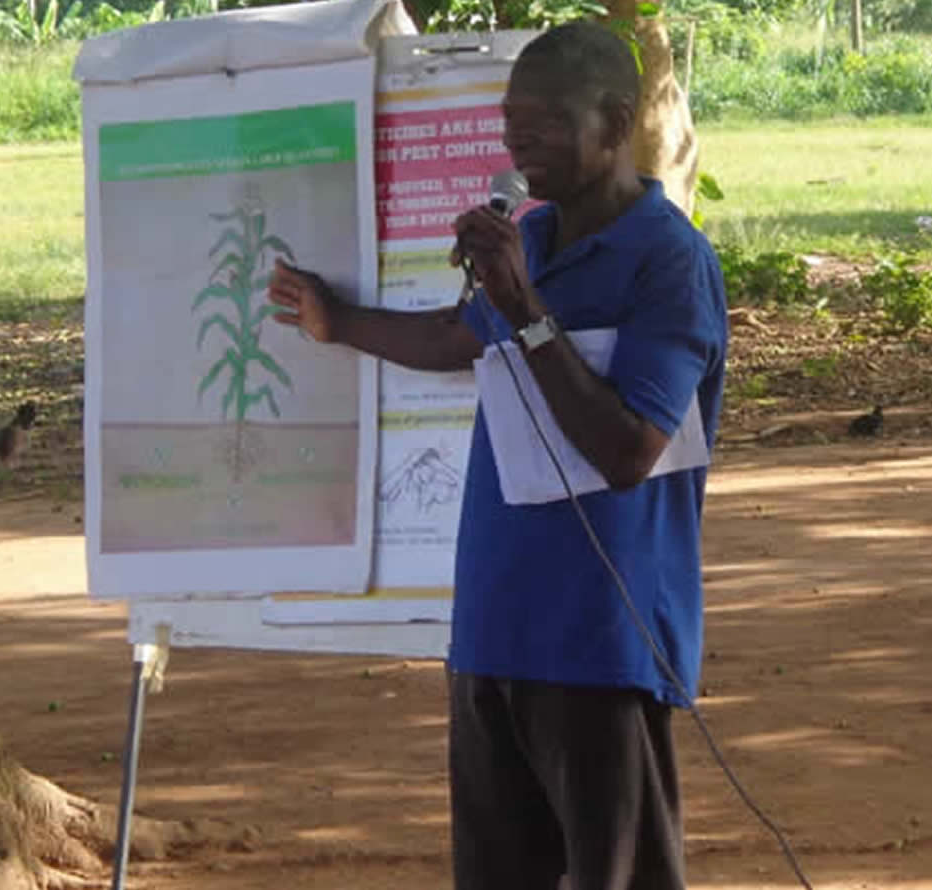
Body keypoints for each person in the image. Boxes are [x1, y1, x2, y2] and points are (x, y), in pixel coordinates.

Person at [269, 21, 727, 890]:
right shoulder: (536, 235)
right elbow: (456, 337)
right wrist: (340, 325)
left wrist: (524, 310)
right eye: (512, 124)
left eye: (545, 124)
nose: (519, 144)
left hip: (599, 638)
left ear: (617, 119)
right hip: (491, 627)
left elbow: (629, 448)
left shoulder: (668, 262)